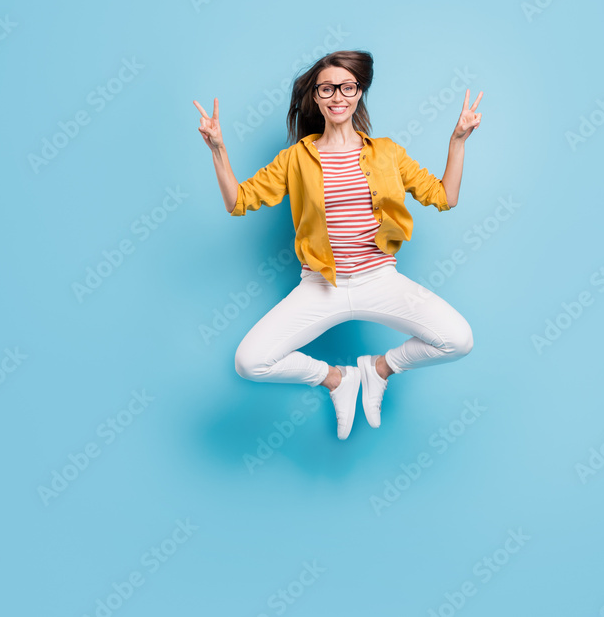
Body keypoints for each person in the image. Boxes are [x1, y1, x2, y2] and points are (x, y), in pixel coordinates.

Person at [193, 50, 482, 440]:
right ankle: (338, 380)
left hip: (379, 280)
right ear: (315, 95)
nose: (337, 97)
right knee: (249, 361)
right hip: (320, 286)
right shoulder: (297, 158)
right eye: (327, 88)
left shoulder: (388, 153)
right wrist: (218, 149)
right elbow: (238, 201)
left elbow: (445, 196)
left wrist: (458, 140)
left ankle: (377, 370)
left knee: (458, 339)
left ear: (359, 92)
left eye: (347, 87)